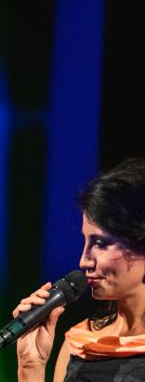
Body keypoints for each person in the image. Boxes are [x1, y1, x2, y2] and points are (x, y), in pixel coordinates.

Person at [15, 158, 145, 381]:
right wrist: (31, 367)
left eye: (101, 244)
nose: (84, 261)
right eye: (85, 242)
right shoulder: (81, 343)